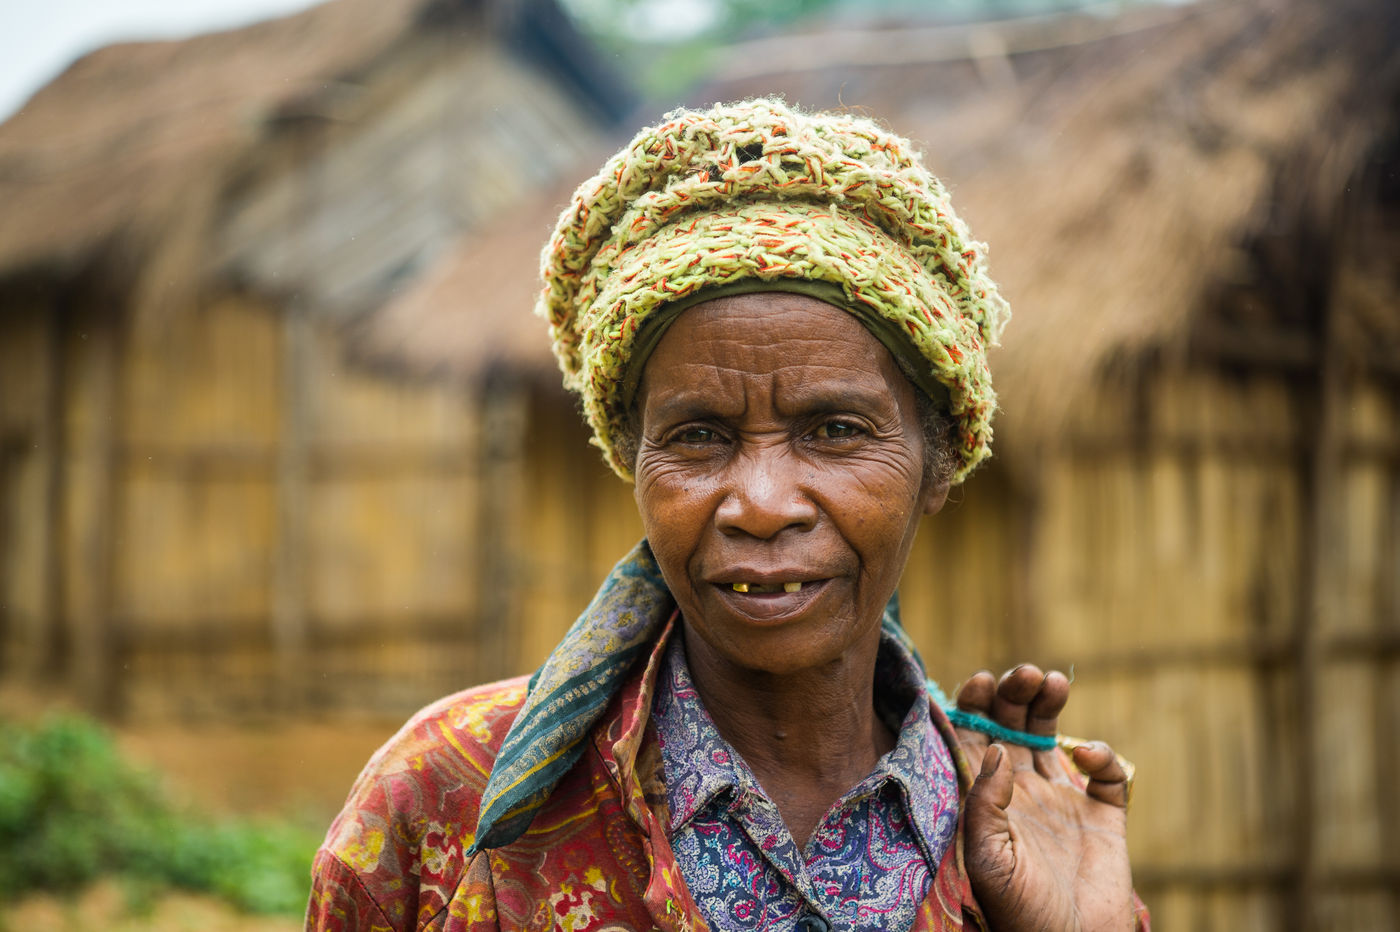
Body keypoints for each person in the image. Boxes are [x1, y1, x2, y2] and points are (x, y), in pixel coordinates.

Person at [306, 99, 1147, 932]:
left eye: (836, 432)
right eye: (699, 437)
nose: (763, 504)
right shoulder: (440, 798)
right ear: (632, 459)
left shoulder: (1019, 833)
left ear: (940, 461)